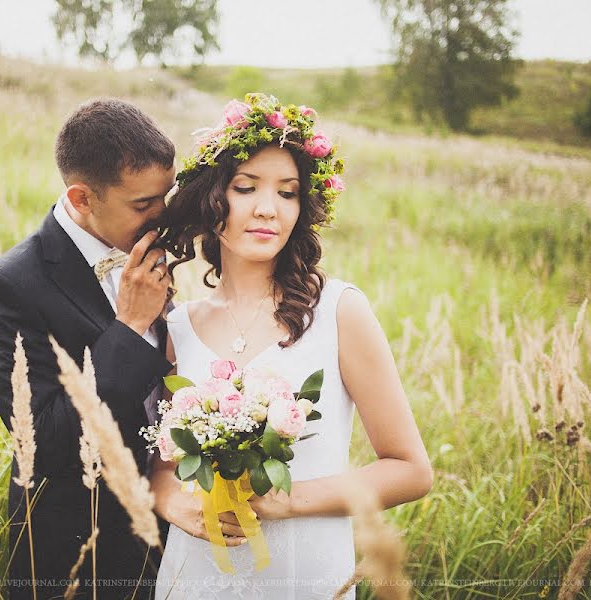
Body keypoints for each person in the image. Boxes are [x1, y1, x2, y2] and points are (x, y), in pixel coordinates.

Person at [148, 93, 434, 599]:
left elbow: (410, 470)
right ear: (213, 199)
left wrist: (286, 501)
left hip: (303, 572)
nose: (267, 209)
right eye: (245, 187)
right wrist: (173, 503)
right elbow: (163, 467)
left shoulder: (339, 312)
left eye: (288, 193)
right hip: (194, 573)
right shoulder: (180, 325)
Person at [0, 98, 185, 600]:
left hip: (174, 523)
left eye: (166, 195)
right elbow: (44, 440)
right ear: (83, 198)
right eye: (143, 205)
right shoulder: (10, 287)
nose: (163, 217)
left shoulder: (146, 245)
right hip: (81, 549)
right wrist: (130, 326)